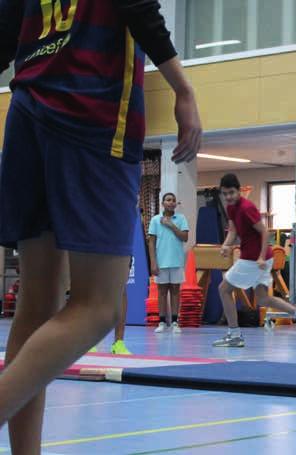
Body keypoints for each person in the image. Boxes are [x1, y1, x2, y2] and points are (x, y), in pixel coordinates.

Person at [0, 0, 202, 450]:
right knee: (97, 308)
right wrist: (183, 89)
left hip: (27, 111)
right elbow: (137, 5)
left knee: (37, 305)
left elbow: (5, 30)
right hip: (89, 112)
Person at [213, 174, 296, 347]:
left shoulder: (247, 208)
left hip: (254, 258)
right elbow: (232, 230)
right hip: (257, 258)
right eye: (225, 194)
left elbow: (264, 232)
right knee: (263, 299)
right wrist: (226, 245)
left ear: (239, 190)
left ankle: (234, 334)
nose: (228, 197)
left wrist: (261, 256)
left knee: (224, 289)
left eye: (231, 192)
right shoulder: (231, 207)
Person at [148, 192, 189, 333]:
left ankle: (175, 322)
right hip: (161, 261)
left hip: (177, 261)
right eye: (168, 200)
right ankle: (162, 322)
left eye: (173, 200)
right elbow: (151, 242)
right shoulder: (155, 220)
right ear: (162, 203)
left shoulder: (181, 218)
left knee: (176, 291)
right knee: (162, 292)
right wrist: (153, 262)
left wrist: (171, 225)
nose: (171, 202)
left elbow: (185, 237)